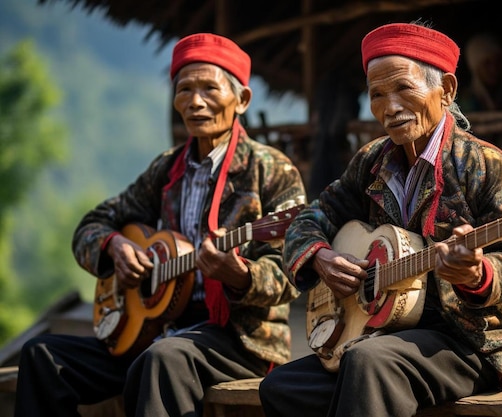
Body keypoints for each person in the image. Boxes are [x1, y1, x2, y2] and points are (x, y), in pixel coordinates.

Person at [14, 33, 306, 417]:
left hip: (238, 341)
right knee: (42, 355)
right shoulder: (167, 169)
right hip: (158, 329)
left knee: (163, 358)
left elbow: (293, 270)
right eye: (184, 89)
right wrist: (114, 247)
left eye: (208, 88)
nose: (195, 101)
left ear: (242, 100)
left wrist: (240, 275)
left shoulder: (271, 170)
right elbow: (93, 224)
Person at [259, 20, 502, 417]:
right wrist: (320, 256)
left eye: (404, 89)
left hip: (466, 343)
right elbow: (310, 219)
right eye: (376, 95)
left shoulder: (483, 164)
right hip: (384, 332)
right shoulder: (372, 161)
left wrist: (478, 275)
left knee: (368, 364)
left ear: (446, 90)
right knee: (281, 387)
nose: (389, 109)